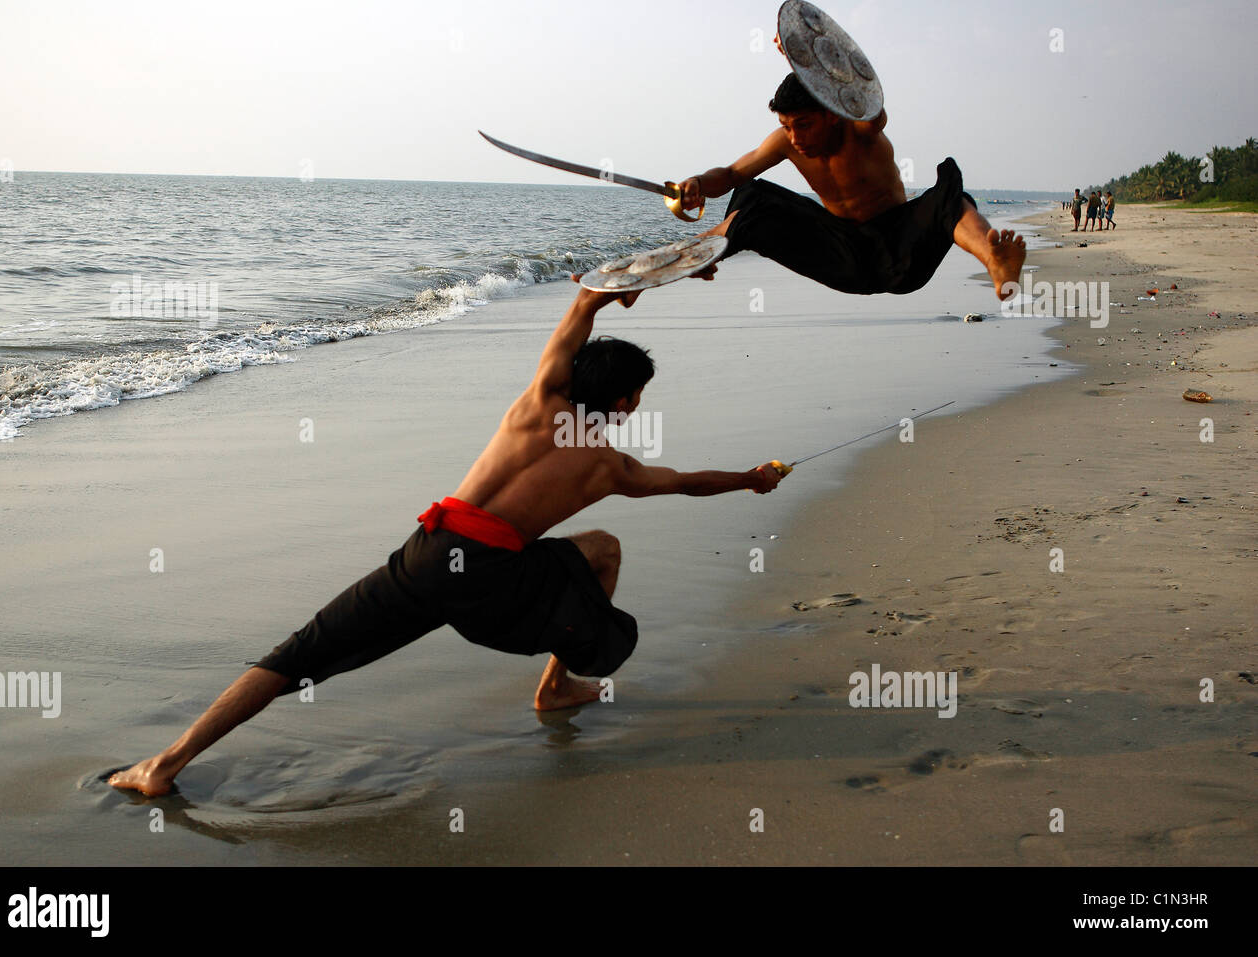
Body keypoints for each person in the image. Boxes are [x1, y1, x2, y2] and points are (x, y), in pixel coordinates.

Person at [108, 268, 785, 797]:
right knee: (603, 549)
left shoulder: (535, 403)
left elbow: (584, 302)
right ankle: (554, 684)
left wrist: (637, 286)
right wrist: (752, 478)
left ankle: (164, 763)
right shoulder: (610, 467)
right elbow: (688, 482)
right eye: (639, 394)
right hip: (497, 587)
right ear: (626, 400)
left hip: (429, 556)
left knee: (298, 654)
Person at [674, 63, 1026, 301]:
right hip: (842, 255)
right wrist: (698, 184)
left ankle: (996, 261)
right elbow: (733, 174)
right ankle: (694, 256)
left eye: (804, 125)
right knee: (752, 196)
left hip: (901, 251)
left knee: (950, 193)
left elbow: (875, 105)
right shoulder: (785, 142)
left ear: (830, 114)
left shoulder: (861, 129)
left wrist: (816, 58)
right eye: (786, 125)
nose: (794, 137)